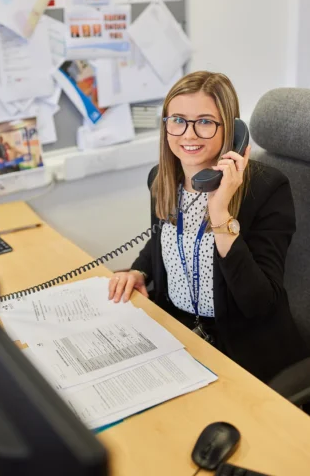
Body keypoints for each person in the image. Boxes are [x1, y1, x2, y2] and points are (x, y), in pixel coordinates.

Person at [109, 71, 309, 383]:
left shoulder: (267, 189)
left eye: (204, 122)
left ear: (230, 130)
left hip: (241, 350)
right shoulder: (162, 180)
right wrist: (139, 271)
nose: (188, 135)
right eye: (178, 120)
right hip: (177, 333)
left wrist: (220, 214)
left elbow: (259, 303)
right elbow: (164, 240)